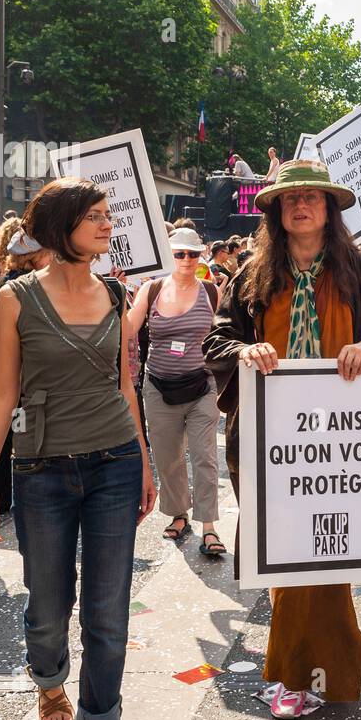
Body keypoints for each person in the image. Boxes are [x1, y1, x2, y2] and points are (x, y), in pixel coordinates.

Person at [203, 159, 361, 720]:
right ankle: (321, 671)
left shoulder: (357, 269)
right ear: (274, 210)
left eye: (312, 199)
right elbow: (216, 342)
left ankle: (301, 674)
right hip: (268, 436)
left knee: (327, 554)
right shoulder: (251, 272)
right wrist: (244, 351)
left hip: (341, 439)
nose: (301, 207)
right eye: (290, 200)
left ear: (329, 209)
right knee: (287, 557)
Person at [0, 178, 155, 720]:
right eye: (95, 216)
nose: (108, 224)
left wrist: (144, 463)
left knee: (108, 610)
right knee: (48, 606)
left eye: (108, 214)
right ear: (61, 226)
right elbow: (3, 391)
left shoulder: (117, 293)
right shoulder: (16, 295)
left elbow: (126, 385)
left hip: (115, 465)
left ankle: (102, 715)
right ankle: (50, 683)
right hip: (42, 468)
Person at [126, 227, 224, 557]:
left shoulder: (210, 292)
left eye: (192, 254)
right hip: (158, 387)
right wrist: (115, 288)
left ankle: (209, 526)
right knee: (168, 458)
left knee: (204, 457)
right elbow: (128, 328)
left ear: (200, 256)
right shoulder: (151, 290)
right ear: (169, 256)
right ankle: (179, 513)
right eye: (179, 253)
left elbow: (221, 336)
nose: (186, 259)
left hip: (201, 386)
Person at [0, 225, 50, 519]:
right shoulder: (16, 287)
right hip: (21, 379)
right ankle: (5, 496)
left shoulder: (8, 282)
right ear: (33, 256)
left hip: (23, 377)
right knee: (16, 435)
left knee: (16, 435)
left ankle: (5, 496)